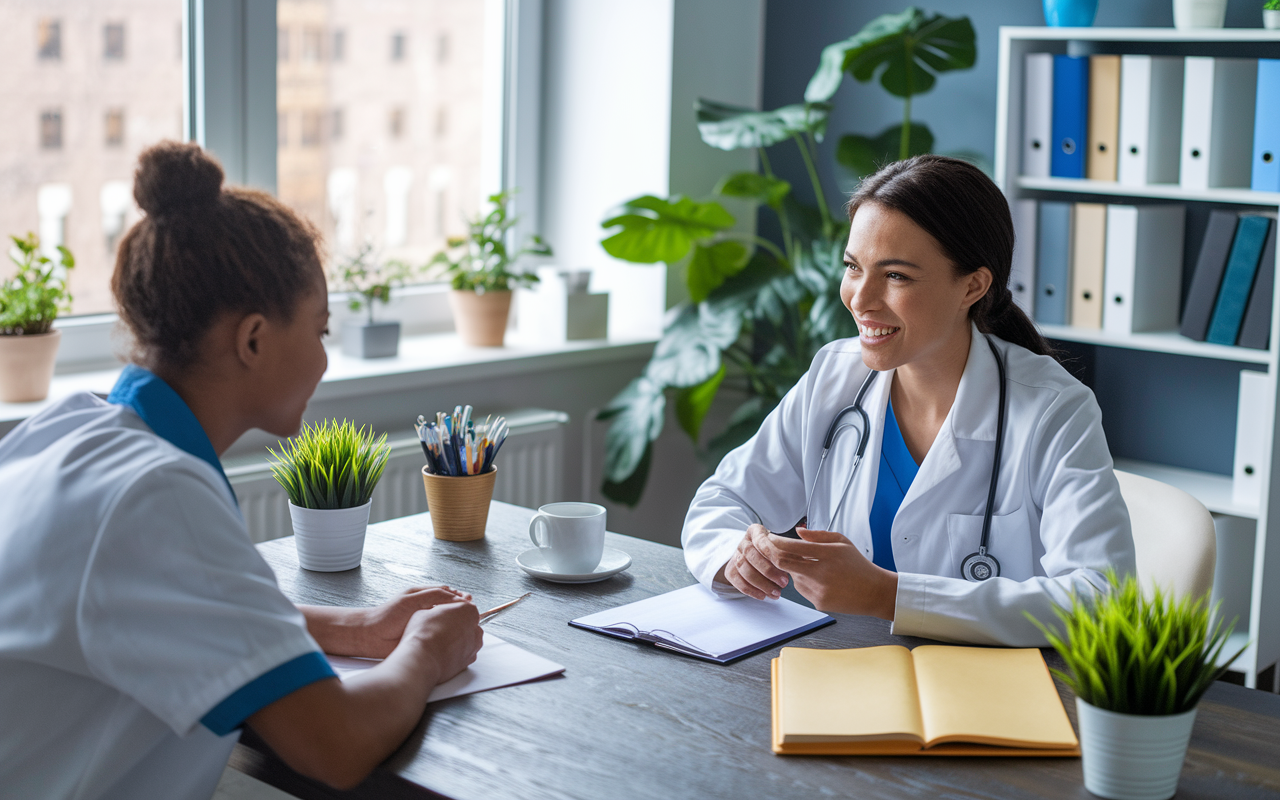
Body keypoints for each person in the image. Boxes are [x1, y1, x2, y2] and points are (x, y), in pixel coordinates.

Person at [0, 142, 483, 799]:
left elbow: (178, 613)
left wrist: (359, 628)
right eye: (319, 331)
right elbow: (334, 745)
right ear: (253, 339)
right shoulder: (157, 496)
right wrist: (427, 651)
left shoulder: (68, 429)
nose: (323, 359)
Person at [681, 154, 1135, 647]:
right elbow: (724, 499)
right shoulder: (834, 376)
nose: (861, 298)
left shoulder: (1052, 409)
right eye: (854, 267)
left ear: (973, 285)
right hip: (846, 665)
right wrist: (738, 557)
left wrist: (889, 595)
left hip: (984, 691)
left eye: (895, 276)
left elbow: (1100, 598)